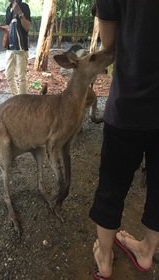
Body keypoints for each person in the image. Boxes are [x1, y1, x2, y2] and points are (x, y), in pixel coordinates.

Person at [89, 1, 159, 279]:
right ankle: (146, 253)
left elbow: (109, 43)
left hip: (128, 106)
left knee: (112, 186)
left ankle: (104, 259)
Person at [0, 0, 31, 96]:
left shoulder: (24, 6)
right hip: (10, 47)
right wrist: (2, 28)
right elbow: (9, 27)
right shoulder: (8, 9)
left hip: (21, 48)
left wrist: (19, 12)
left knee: (22, 77)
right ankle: (16, 98)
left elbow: (27, 27)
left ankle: (23, 102)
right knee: (8, 75)